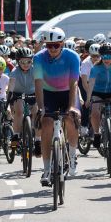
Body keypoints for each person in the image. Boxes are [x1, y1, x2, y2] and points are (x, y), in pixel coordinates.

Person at [36, 27, 81, 185]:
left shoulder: (73, 56)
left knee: (70, 118)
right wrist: (41, 108)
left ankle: (73, 155)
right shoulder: (38, 58)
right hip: (48, 93)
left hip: (68, 91)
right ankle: (47, 168)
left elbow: (74, 82)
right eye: (49, 45)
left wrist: (71, 107)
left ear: (62, 43)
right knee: (46, 123)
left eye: (56, 45)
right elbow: (38, 83)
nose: (53, 49)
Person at [85, 42, 111, 160]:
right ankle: (97, 133)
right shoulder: (96, 67)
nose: (106, 59)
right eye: (103, 56)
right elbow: (91, 83)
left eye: (108, 56)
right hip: (98, 92)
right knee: (95, 111)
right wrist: (88, 99)